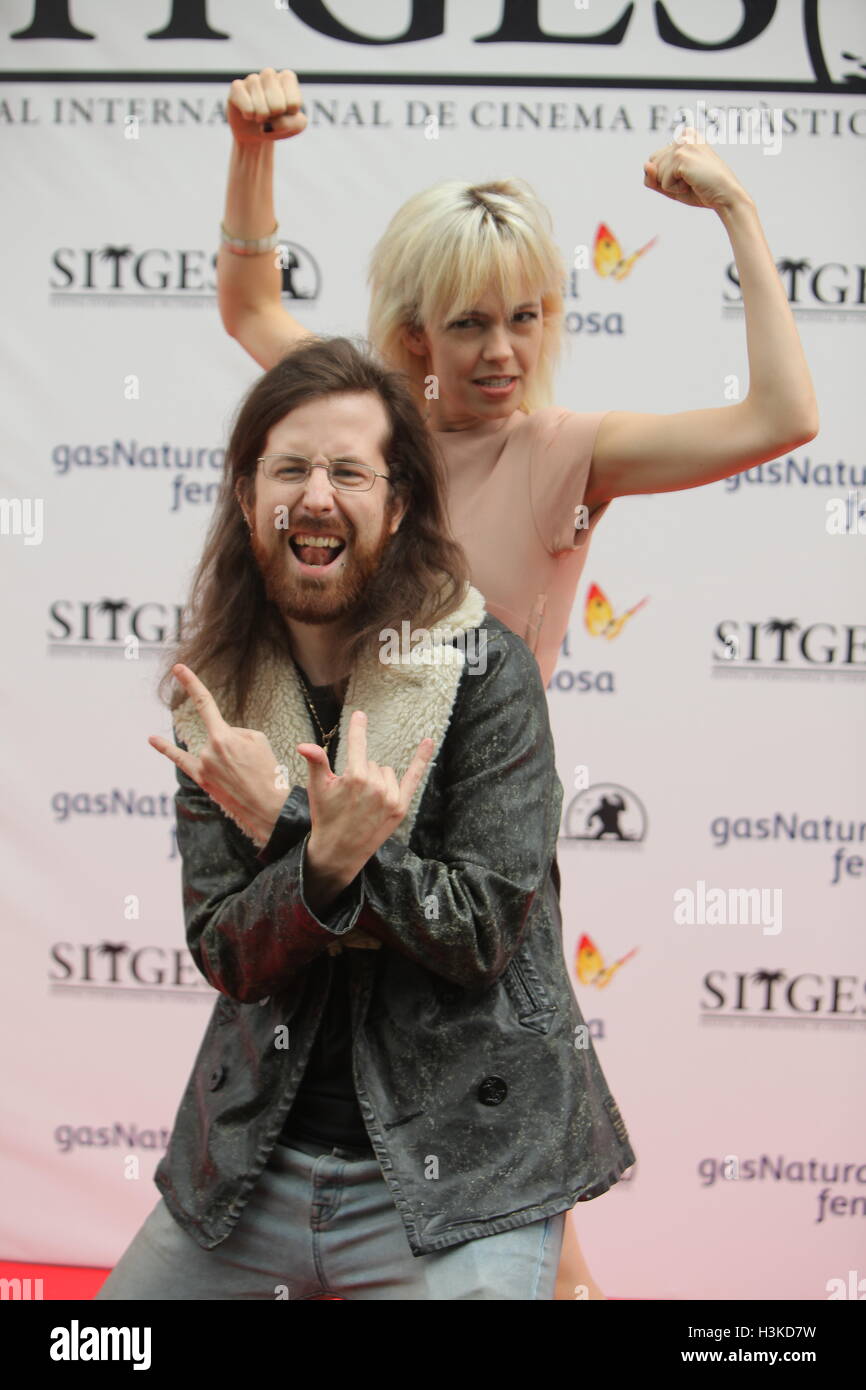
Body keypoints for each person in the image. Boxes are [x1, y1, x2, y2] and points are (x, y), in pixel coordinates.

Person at [214, 67, 819, 1299]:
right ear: (411, 334)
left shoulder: (565, 453)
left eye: (529, 316)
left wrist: (738, 218)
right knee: (352, 1153)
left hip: (474, 865)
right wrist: (250, 148)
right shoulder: (364, 424)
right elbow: (246, 306)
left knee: (522, 1216)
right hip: (326, 838)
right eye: (471, 322)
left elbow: (780, 414)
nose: (503, 352)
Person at [93, 335, 635, 1301]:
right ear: (247, 495)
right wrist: (320, 854)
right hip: (256, 1164)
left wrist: (293, 828)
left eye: (348, 470)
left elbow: (477, 932)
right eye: (289, 468)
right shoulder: (214, 698)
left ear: (398, 504)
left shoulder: (483, 668)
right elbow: (228, 951)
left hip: (465, 1177)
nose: (315, 495)